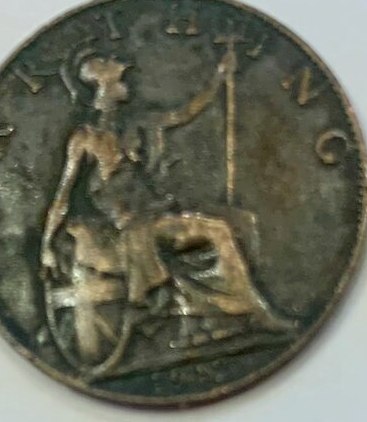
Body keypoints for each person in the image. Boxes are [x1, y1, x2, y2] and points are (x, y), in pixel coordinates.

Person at [41, 44, 293, 363]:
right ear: (100, 85)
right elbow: (63, 196)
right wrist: (47, 246)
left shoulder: (135, 126)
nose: (126, 82)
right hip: (134, 229)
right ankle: (253, 312)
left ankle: (206, 320)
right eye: (118, 76)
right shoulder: (86, 139)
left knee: (239, 222)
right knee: (217, 230)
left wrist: (218, 78)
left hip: (159, 216)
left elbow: (182, 114)